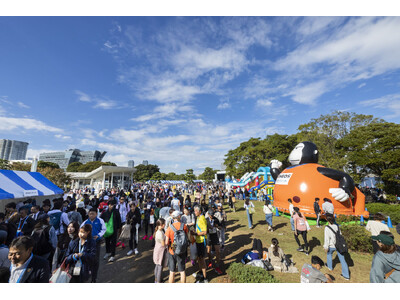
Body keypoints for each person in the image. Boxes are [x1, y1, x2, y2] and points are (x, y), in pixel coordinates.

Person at [81, 208, 106, 282]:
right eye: (90, 213)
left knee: (95, 259)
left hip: (97, 242)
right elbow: (81, 230)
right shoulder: (85, 222)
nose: (91, 215)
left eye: (93, 213)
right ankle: (89, 272)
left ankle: (94, 278)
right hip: (87, 243)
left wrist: (99, 235)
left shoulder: (100, 220)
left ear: (96, 214)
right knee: (88, 258)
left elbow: (104, 229)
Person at [323, 215, 350, 280]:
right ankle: (346, 275)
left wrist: (325, 247)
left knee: (329, 254)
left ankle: (330, 267)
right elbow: (340, 235)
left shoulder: (327, 228)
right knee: (343, 260)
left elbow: (327, 238)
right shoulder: (337, 226)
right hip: (339, 246)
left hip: (331, 245)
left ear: (327, 220)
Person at [165, 211, 188, 283]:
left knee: (172, 272)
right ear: (179, 217)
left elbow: (166, 242)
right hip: (182, 250)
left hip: (172, 250)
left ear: (173, 217)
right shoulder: (184, 226)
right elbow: (187, 237)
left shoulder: (169, 228)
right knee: (182, 271)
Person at [191, 205, 208, 283]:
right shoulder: (198, 217)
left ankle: (204, 278)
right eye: (194, 211)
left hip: (201, 241)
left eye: (196, 211)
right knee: (199, 258)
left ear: (200, 211)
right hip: (198, 241)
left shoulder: (202, 218)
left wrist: (195, 233)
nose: (194, 212)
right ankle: (200, 272)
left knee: (202, 259)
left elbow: (205, 232)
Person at [205, 209, 223, 275]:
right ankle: (210, 261)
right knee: (208, 250)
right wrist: (208, 228)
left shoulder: (216, 219)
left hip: (215, 235)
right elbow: (204, 229)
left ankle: (217, 266)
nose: (212, 216)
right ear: (208, 214)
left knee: (218, 251)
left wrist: (217, 226)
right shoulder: (206, 220)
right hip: (209, 235)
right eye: (211, 215)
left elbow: (221, 227)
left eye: (213, 215)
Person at [153, 218, 167, 283]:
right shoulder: (160, 233)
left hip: (157, 250)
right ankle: (158, 281)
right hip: (160, 251)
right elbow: (163, 244)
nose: (165, 225)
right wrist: (168, 240)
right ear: (161, 224)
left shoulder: (159, 231)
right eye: (164, 224)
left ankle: (156, 280)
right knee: (160, 267)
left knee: (157, 266)